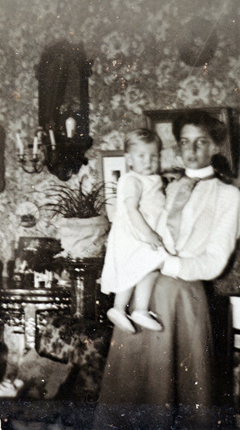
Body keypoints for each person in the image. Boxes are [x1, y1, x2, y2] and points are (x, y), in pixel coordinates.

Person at [94, 111, 240, 430]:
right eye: (184, 142)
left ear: (215, 147)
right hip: (143, 295)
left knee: (180, 401)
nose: (191, 150)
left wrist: (169, 263)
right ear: (176, 148)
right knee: (133, 393)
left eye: (201, 142)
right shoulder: (166, 187)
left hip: (181, 298)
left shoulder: (229, 196)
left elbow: (215, 261)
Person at [101, 128, 174, 334]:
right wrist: (148, 234)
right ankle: (117, 308)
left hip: (147, 231)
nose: (148, 161)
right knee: (131, 269)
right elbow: (131, 210)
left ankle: (140, 310)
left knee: (149, 268)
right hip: (134, 233)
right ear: (129, 159)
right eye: (141, 156)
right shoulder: (131, 180)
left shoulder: (155, 179)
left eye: (154, 156)